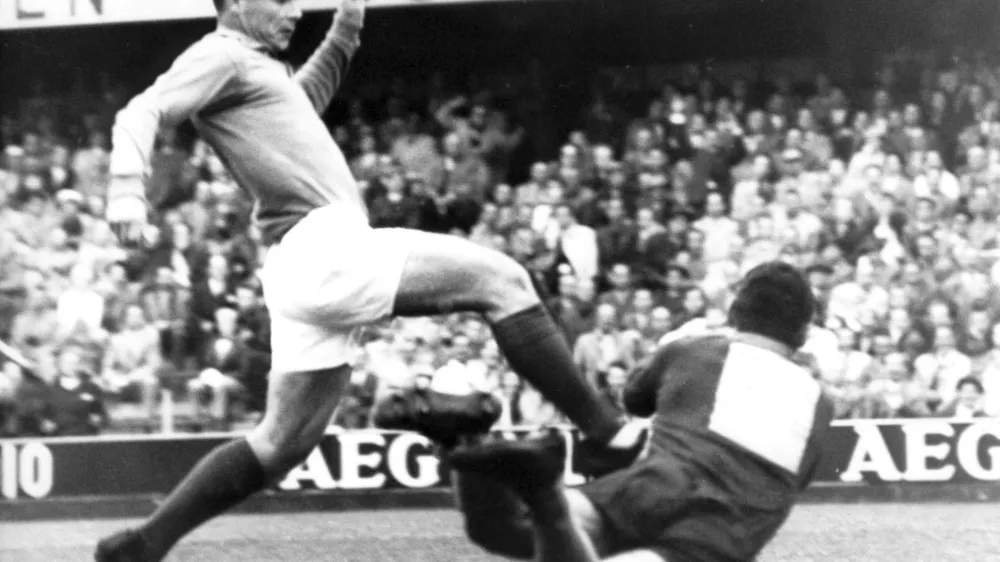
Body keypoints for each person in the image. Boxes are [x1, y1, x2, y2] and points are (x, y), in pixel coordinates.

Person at [95, 1, 641, 561]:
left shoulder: (256, 69)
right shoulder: (223, 55)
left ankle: (142, 546)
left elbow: (301, 106)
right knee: (504, 281)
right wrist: (126, 190)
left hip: (298, 263)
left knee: (279, 444)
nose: (293, 9)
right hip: (323, 246)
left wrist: (346, 27)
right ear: (233, 3)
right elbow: (141, 111)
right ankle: (607, 432)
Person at [382, 261, 834, 562]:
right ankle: (542, 491)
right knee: (549, 523)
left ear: (737, 310)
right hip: (715, 530)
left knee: (502, 531)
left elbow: (635, 401)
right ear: (803, 330)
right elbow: (792, 483)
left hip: (654, 482)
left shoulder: (692, 351)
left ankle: (466, 443)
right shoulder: (820, 405)